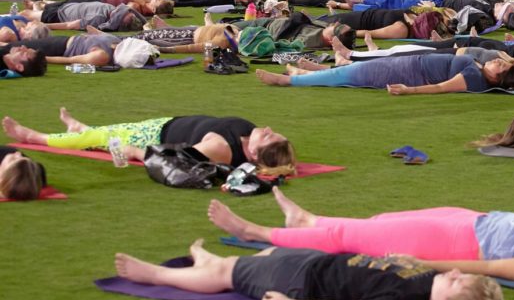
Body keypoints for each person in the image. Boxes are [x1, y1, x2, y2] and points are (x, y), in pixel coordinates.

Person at [207, 185, 514, 284]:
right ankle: (306, 221)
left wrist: (427, 268)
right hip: (474, 218)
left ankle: (251, 230)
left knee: (351, 240)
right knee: (378, 223)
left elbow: (495, 269)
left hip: (458, 244)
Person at [114, 239, 508, 300]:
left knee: (227, 276)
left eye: (457, 282)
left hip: (301, 284)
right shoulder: (430, 282)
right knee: (265, 253)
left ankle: (156, 275)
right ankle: (205, 258)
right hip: (318, 263)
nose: (454, 273)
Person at [2, 111, 296, 174]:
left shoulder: (220, 150)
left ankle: (36, 138)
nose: (268, 127)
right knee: (107, 131)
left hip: (155, 138)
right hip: (166, 124)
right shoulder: (247, 136)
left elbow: (172, 158)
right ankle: (83, 129)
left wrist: (133, 152)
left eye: (268, 135)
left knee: (98, 139)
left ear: (254, 152)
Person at [254, 52, 514, 94]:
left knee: (351, 75)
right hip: (410, 63)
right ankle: (314, 70)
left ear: (496, 79)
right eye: (501, 62)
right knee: (356, 69)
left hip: (409, 73)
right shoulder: (480, 68)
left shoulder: (474, 79)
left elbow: (441, 88)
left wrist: (409, 91)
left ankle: (289, 80)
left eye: (501, 67)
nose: (498, 62)